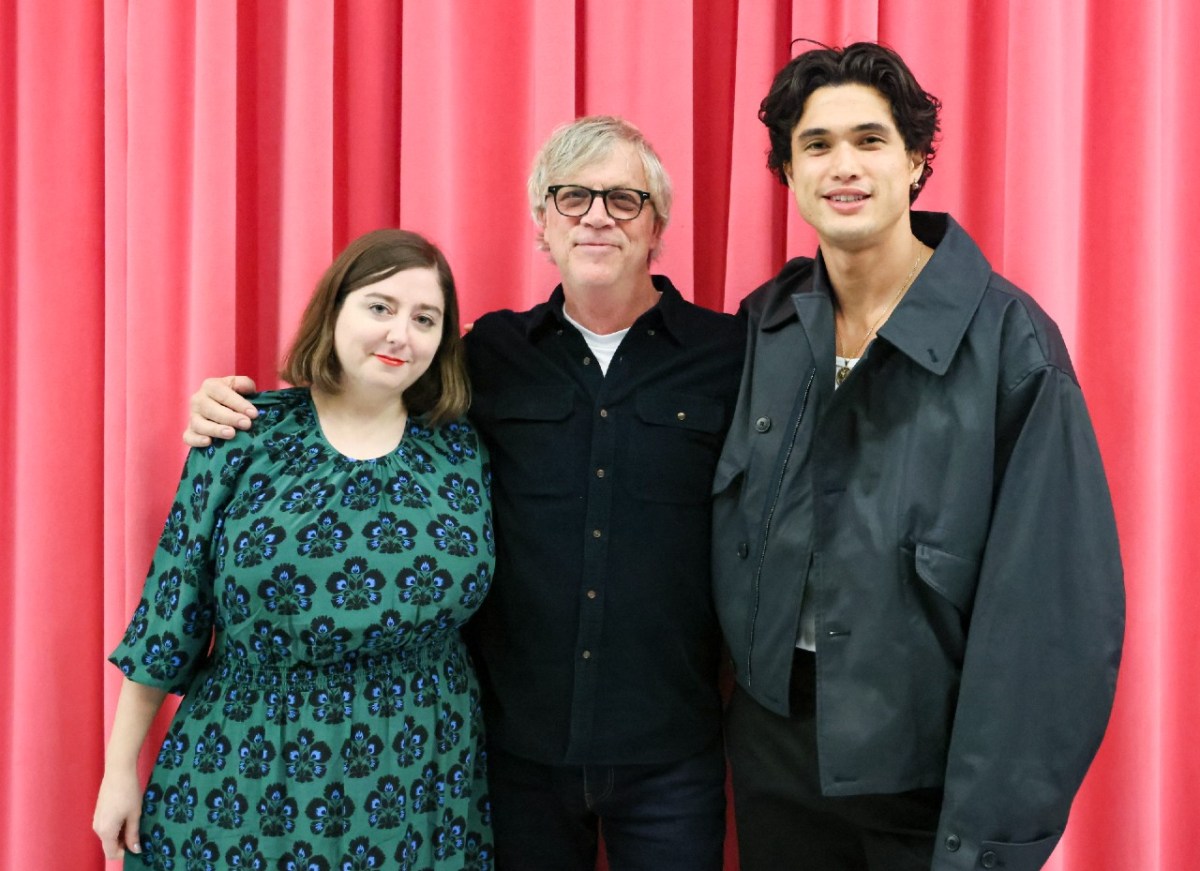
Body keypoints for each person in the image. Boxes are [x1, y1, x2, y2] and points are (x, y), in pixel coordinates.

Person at [182, 117, 743, 871]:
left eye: (623, 199)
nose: (598, 216)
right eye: (573, 198)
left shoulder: (730, 355)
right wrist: (237, 407)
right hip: (514, 753)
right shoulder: (487, 353)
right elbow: (363, 397)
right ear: (543, 223)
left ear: (657, 225)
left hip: (673, 747)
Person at [712, 42, 1124, 871]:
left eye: (870, 140)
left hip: (926, 778)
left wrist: (985, 840)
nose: (843, 166)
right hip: (774, 760)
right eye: (816, 145)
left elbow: (1052, 621)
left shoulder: (1012, 343)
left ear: (918, 162)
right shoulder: (768, 323)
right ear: (789, 176)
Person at [94, 229, 495, 869]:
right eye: (380, 307)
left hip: (419, 772)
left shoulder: (461, 452)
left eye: (426, 319)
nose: (401, 334)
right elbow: (169, 616)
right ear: (334, 309)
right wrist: (119, 772)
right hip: (245, 773)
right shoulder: (240, 434)